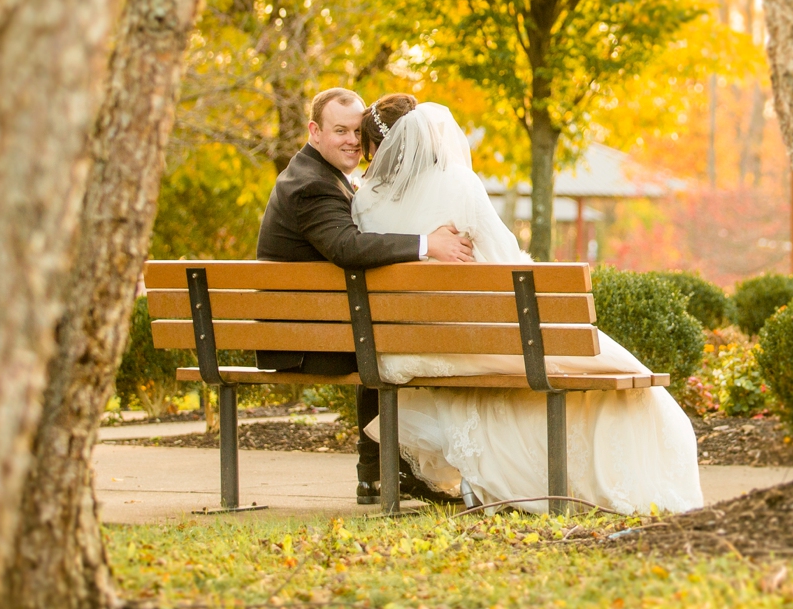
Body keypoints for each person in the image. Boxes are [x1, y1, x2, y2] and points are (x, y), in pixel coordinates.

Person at [352, 95, 703, 514]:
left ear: (380, 148)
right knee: (625, 375)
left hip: (404, 349)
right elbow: (507, 262)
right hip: (475, 340)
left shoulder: (362, 202)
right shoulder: (457, 185)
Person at [255, 87, 474, 504]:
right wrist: (427, 244)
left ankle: (376, 473)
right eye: (341, 130)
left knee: (389, 337)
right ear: (315, 131)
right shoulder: (310, 186)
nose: (353, 140)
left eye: (358, 131)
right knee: (405, 343)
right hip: (305, 343)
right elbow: (347, 247)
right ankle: (397, 471)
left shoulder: (317, 174)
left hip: (315, 330)